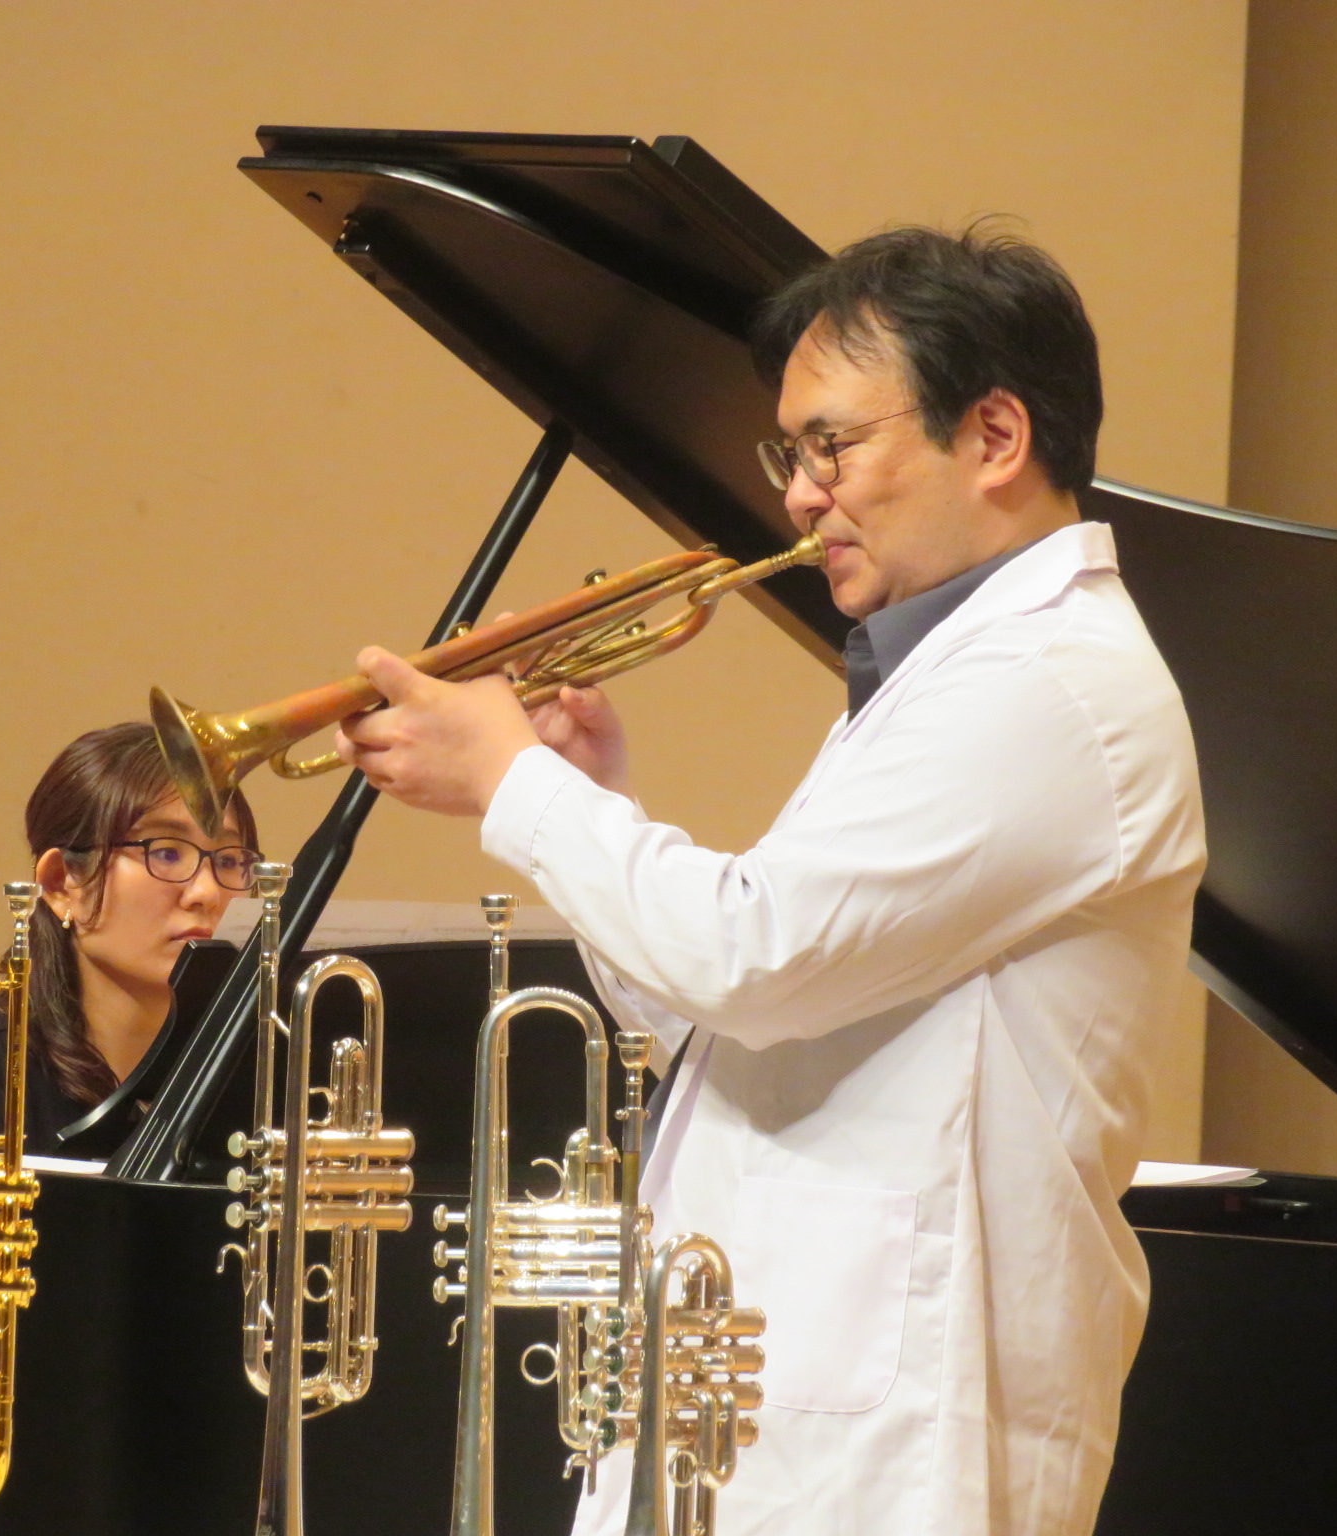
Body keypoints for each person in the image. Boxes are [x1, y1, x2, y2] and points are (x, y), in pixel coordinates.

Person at [335, 226, 1205, 1536]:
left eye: (830, 446)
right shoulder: (956, 671)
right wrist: (588, 803)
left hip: (892, 1437)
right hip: (768, 1393)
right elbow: (725, 1019)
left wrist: (517, 784)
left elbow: (749, 960)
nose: (798, 496)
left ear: (995, 436)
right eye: (788, 455)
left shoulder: (1046, 685)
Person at [0, 721, 259, 1156]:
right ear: (59, 884)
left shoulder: (255, 1066)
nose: (207, 893)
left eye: (229, 861)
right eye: (167, 853)